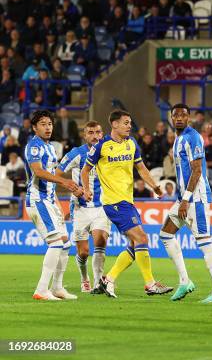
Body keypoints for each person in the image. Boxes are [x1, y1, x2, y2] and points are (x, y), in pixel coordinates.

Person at [81, 110, 172, 298]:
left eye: (130, 122)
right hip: (113, 203)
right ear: (114, 124)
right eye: (125, 123)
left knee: (134, 244)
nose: (129, 126)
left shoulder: (132, 144)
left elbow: (141, 168)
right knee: (142, 238)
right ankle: (150, 284)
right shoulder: (101, 146)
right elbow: (85, 170)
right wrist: (87, 189)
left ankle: (109, 279)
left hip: (128, 202)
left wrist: (154, 186)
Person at [159, 104, 212, 303]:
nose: (179, 118)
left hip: (196, 199)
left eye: (183, 115)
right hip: (183, 199)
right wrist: (181, 198)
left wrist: (186, 199)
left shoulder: (193, 137)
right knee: (165, 234)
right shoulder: (178, 140)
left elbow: (197, 171)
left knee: (204, 241)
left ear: (189, 118)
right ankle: (185, 281)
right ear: (171, 118)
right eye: (175, 115)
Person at [25, 110, 81, 300]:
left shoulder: (50, 147)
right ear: (34, 127)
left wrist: (58, 205)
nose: (48, 127)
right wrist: (63, 182)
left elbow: (49, 180)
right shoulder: (34, 146)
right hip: (37, 199)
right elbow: (39, 172)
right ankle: (41, 289)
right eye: (43, 124)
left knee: (65, 242)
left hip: (49, 200)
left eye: (50, 123)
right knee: (56, 243)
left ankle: (57, 287)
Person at [55, 121, 110, 293]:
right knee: (84, 252)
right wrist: (75, 188)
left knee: (100, 240)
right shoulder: (76, 154)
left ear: (102, 134)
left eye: (98, 132)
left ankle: (98, 283)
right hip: (80, 208)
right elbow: (56, 174)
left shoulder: (109, 152)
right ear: (85, 135)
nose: (95, 136)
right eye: (91, 132)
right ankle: (84, 277)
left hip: (102, 206)